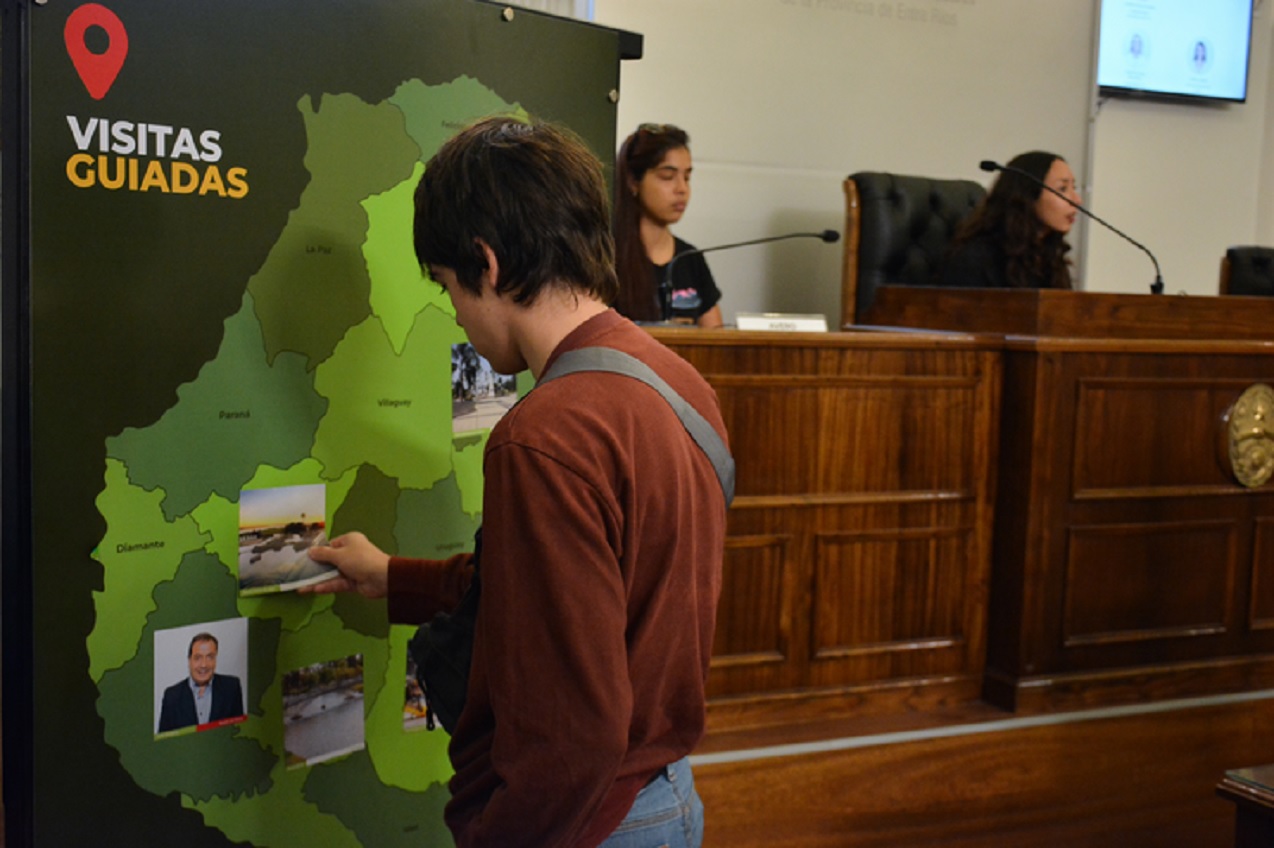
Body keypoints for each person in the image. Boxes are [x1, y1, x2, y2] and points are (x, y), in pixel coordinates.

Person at [303, 116, 729, 848]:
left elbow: (572, 739)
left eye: (449, 288)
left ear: (487, 263)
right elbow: (582, 593)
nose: (458, 317)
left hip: (590, 822)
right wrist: (394, 577)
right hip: (668, 798)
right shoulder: (681, 382)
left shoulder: (544, 436)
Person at [613, 123, 723, 327]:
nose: (682, 189)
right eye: (668, 177)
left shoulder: (690, 258)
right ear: (633, 181)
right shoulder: (605, 257)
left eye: (687, 177)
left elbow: (717, 337)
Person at [939, 151, 1079, 290]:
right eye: (1062, 189)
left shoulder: (1048, 256)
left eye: (1074, 188)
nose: (1077, 201)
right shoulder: (975, 258)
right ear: (1028, 194)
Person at [157, 632, 245, 732]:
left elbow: (238, 732)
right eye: (197, 658)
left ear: (215, 660)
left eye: (210, 657)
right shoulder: (172, 696)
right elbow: (164, 738)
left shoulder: (232, 688)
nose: (203, 664)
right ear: (189, 660)